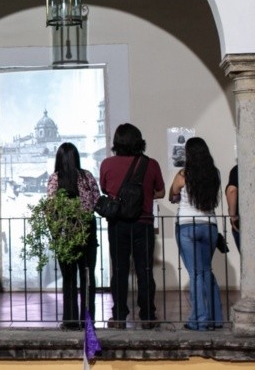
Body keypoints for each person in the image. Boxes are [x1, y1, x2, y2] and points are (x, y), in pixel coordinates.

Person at [99, 123, 165, 330]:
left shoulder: (107, 164)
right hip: (143, 223)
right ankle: (147, 315)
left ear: (116, 143)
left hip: (118, 223)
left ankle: (119, 316)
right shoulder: (150, 164)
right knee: (145, 270)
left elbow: (105, 188)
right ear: (139, 141)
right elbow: (161, 192)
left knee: (119, 270)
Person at [169, 137, 223, 330]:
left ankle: (199, 320)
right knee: (206, 271)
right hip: (209, 226)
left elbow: (172, 194)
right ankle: (216, 319)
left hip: (187, 226)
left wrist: (177, 196)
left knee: (196, 274)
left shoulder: (183, 174)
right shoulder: (213, 174)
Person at [45, 142, 99, 330]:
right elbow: (96, 201)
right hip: (87, 230)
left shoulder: (54, 179)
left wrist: (54, 232)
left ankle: (70, 320)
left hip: (65, 232)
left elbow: (51, 207)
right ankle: (88, 319)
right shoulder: (87, 177)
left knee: (68, 278)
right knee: (87, 275)